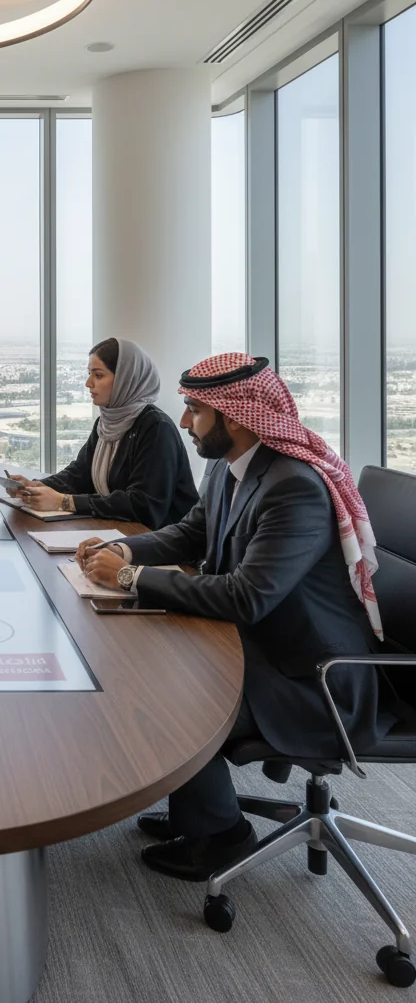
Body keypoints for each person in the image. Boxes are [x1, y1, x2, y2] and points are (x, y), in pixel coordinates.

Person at [75, 352, 386, 882]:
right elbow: (192, 532)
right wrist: (126, 551)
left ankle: (222, 837)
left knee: (165, 701)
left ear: (235, 417)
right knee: (150, 666)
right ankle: (195, 812)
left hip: (312, 676)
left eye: (194, 409)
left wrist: (128, 580)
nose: (183, 421)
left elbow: (247, 597)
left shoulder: (294, 487)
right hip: (259, 646)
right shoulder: (230, 467)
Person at [10, 338, 198, 528]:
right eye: (89, 374)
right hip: (120, 531)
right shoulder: (106, 422)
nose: (88, 383)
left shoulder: (156, 428)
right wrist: (36, 487)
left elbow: (143, 505)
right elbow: (79, 473)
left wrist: (64, 501)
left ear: (126, 379)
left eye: (98, 375)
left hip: (160, 543)